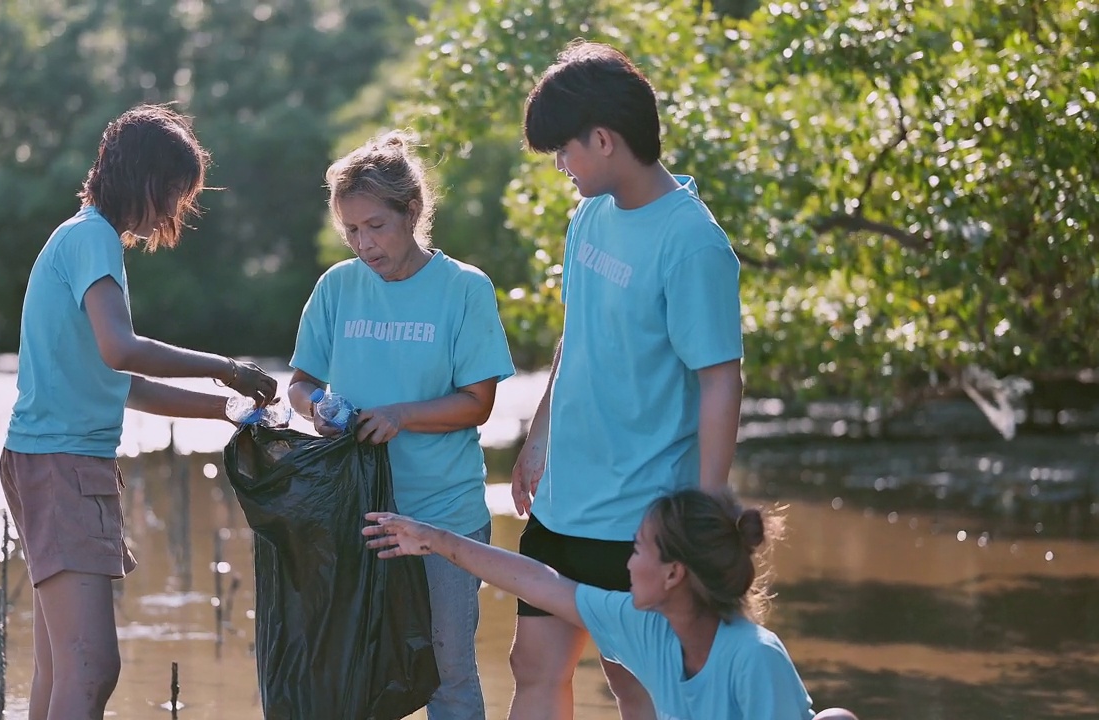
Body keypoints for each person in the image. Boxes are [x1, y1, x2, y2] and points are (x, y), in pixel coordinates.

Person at [0, 104, 278, 720]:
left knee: (62, 666)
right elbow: (121, 349)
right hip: (60, 462)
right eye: (174, 192)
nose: (172, 212)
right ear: (144, 178)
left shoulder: (81, 238)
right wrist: (226, 366)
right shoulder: (92, 237)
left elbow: (122, 384)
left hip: (52, 458)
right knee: (93, 666)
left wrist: (224, 408)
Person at [507, 41, 746, 719]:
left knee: (638, 684)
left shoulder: (693, 244)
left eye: (565, 150)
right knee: (533, 666)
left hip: (639, 516)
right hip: (563, 499)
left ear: (604, 139)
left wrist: (703, 512)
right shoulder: (589, 216)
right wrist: (538, 437)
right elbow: (576, 337)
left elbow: (721, 383)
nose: (561, 165)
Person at [287, 131, 516, 720]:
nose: (365, 244)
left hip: (444, 515)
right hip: (356, 516)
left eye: (376, 226)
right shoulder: (336, 287)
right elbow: (301, 382)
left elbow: (476, 403)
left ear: (411, 212)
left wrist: (400, 416)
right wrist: (318, 408)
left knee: (449, 678)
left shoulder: (465, 288)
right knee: (352, 672)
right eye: (352, 231)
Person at [365, 489, 858, 720]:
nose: (628, 562)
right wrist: (434, 538)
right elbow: (540, 583)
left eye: (638, 548)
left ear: (673, 574)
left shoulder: (753, 656)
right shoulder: (648, 627)